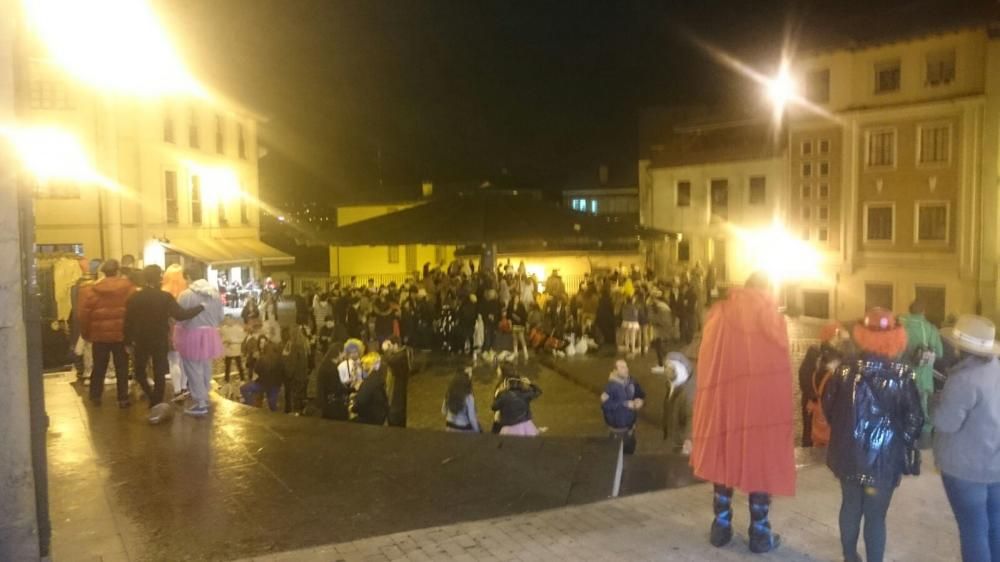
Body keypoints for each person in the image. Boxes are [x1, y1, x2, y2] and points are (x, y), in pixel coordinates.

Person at [690, 272, 793, 554]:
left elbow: (708, 361)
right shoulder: (772, 320)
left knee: (723, 460)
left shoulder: (719, 315)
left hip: (724, 404)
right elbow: (779, 372)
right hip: (760, 411)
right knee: (759, 466)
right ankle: (760, 533)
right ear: (768, 290)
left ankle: (721, 527)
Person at [822, 308, 923, 562]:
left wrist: (846, 431)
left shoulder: (844, 371)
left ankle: (848, 556)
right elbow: (914, 418)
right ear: (896, 337)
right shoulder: (902, 374)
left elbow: (829, 407)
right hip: (884, 458)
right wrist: (906, 441)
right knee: (876, 516)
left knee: (850, 505)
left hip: (848, 453)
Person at [934, 314, 1000, 562]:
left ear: (960, 346)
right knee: (995, 528)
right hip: (995, 465)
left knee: (973, 531)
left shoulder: (963, 379)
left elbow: (946, 423)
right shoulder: (996, 368)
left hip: (965, 470)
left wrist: (935, 402)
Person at [125, 265, 204, 408]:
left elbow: (127, 321)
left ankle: (151, 396)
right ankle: (157, 400)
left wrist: (127, 341)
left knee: (139, 370)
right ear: (159, 279)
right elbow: (181, 315)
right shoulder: (165, 297)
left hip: (140, 338)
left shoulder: (134, 298)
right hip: (159, 338)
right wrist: (201, 307)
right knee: (159, 371)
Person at [78, 259, 137, 407]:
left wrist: (86, 333)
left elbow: (83, 314)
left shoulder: (90, 290)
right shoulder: (129, 288)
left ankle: (95, 395)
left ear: (103, 272)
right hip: (121, 334)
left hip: (99, 335)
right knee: (122, 367)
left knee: (99, 366)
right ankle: (123, 398)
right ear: (118, 271)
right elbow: (135, 311)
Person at [174, 263, 225, 417]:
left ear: (188, 277)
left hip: (191, 334)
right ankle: (206, 396)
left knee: (192, 368)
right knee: (206, 366)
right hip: (210, 334)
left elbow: (180, 317)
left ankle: (200, 402)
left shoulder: (186, 295)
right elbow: (221, 316)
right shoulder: (214, 293)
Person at [899, 300, 944, 435]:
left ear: (910, 311)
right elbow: (940, 353)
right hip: (924, 376)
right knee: (922, 405)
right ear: (924, 312)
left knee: (903, 404)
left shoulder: (901, 327)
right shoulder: (930, 329)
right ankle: (923, 434)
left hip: (903, 374)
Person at [798, 322, 846, 447]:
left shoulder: (837, 355)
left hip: (815, 404)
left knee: (816, 434)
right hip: (817, 405)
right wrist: (816, 397)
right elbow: (805, 376)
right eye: (838, 335)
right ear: (831, 336)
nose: (840, 339)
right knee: (814, 434)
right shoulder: (821, 354)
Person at [600, 359, 646, 454]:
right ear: (615, 371)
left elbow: (640, 394)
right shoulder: (610, 387)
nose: (626, 369)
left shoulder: (632, 382)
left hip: (630, 431)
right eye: (622, 367)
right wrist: (624, 404)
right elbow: (606, 406)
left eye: (626, 366)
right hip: (617, 433)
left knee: (630, 454)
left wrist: (640, 401)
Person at [661, 351, 694, 455]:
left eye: (670, 368)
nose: (667, 371)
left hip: (681, 444)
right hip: (674, 438)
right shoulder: (674, 384)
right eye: (666, 367)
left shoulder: (689, 392)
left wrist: (688, 441)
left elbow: (692, 417)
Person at [241, 340, 284, 411]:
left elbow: (257, 370)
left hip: (262, 384)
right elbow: (282, 371)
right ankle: (276, 416)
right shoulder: (280, 359)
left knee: (244, 388)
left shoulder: (262, 358)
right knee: (272, 404)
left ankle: (251, 406)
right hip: (275, 385)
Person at [352, 352, 388, 425]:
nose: (362, 366)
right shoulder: (377, 377)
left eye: (364, 364)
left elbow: (361, 402)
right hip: (379, 415)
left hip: (370, 418)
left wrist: (352, 408)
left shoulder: (369, 382)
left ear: (369, 365)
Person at [443, 367, 480, 432]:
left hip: (449, 426)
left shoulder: (449, 393)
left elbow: (443, 411)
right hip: (463, 428)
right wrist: (478, 431)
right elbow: (472, 418)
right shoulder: (468, 397)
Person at [283, 326, 311, 413]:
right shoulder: (304, 345)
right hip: (303, 375)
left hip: (296, 377)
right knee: (302, 395)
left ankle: (297, 414)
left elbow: (292, 363)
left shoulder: (294, 347)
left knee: (296, 397)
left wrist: (285, 356)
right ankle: (302, 411)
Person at [220, 315, 247, 383]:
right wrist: (224, 341)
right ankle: (226, 380)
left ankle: (242, 378)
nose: (226, 321)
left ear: (232, 320)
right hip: (228, 350)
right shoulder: (223, 328)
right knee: (227, 366)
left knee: (239, 365)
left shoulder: (238, 328)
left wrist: (233, 341)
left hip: (236, 350)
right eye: (226, 320)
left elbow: (243, 338)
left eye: (228, 319)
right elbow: (221, 338)